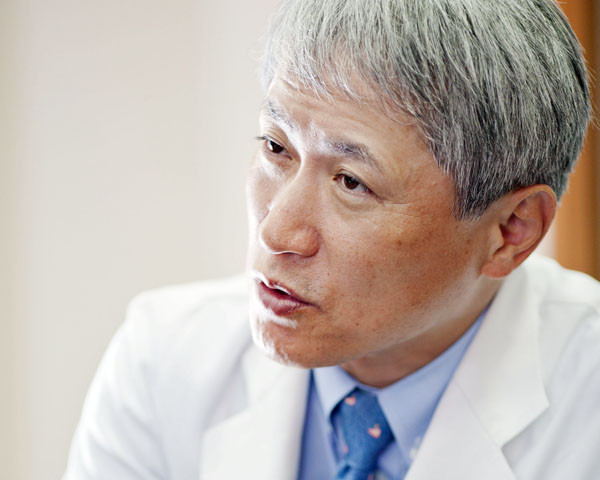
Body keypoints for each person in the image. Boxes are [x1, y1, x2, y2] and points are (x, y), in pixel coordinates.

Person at [64, 0, 600, 479]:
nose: (276, 231)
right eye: (276, 147)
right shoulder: (162, 360)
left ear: (511, 231)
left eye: (351, 182)